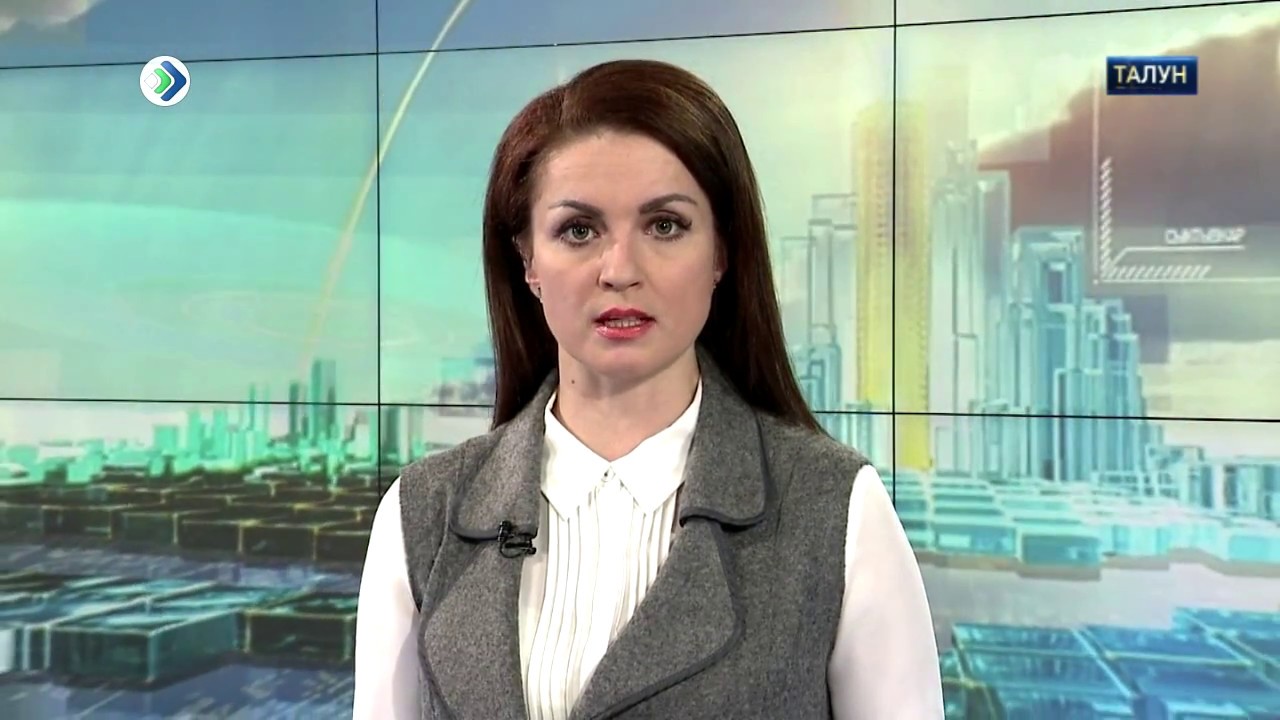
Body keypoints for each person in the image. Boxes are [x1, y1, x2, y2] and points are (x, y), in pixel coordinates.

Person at [352, 58, 943, 719]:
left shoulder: (838, 511)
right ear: (528, 260)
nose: (620, 270)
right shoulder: (423, 514)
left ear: (722, 252)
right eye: (579, 231)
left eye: (665, 225)